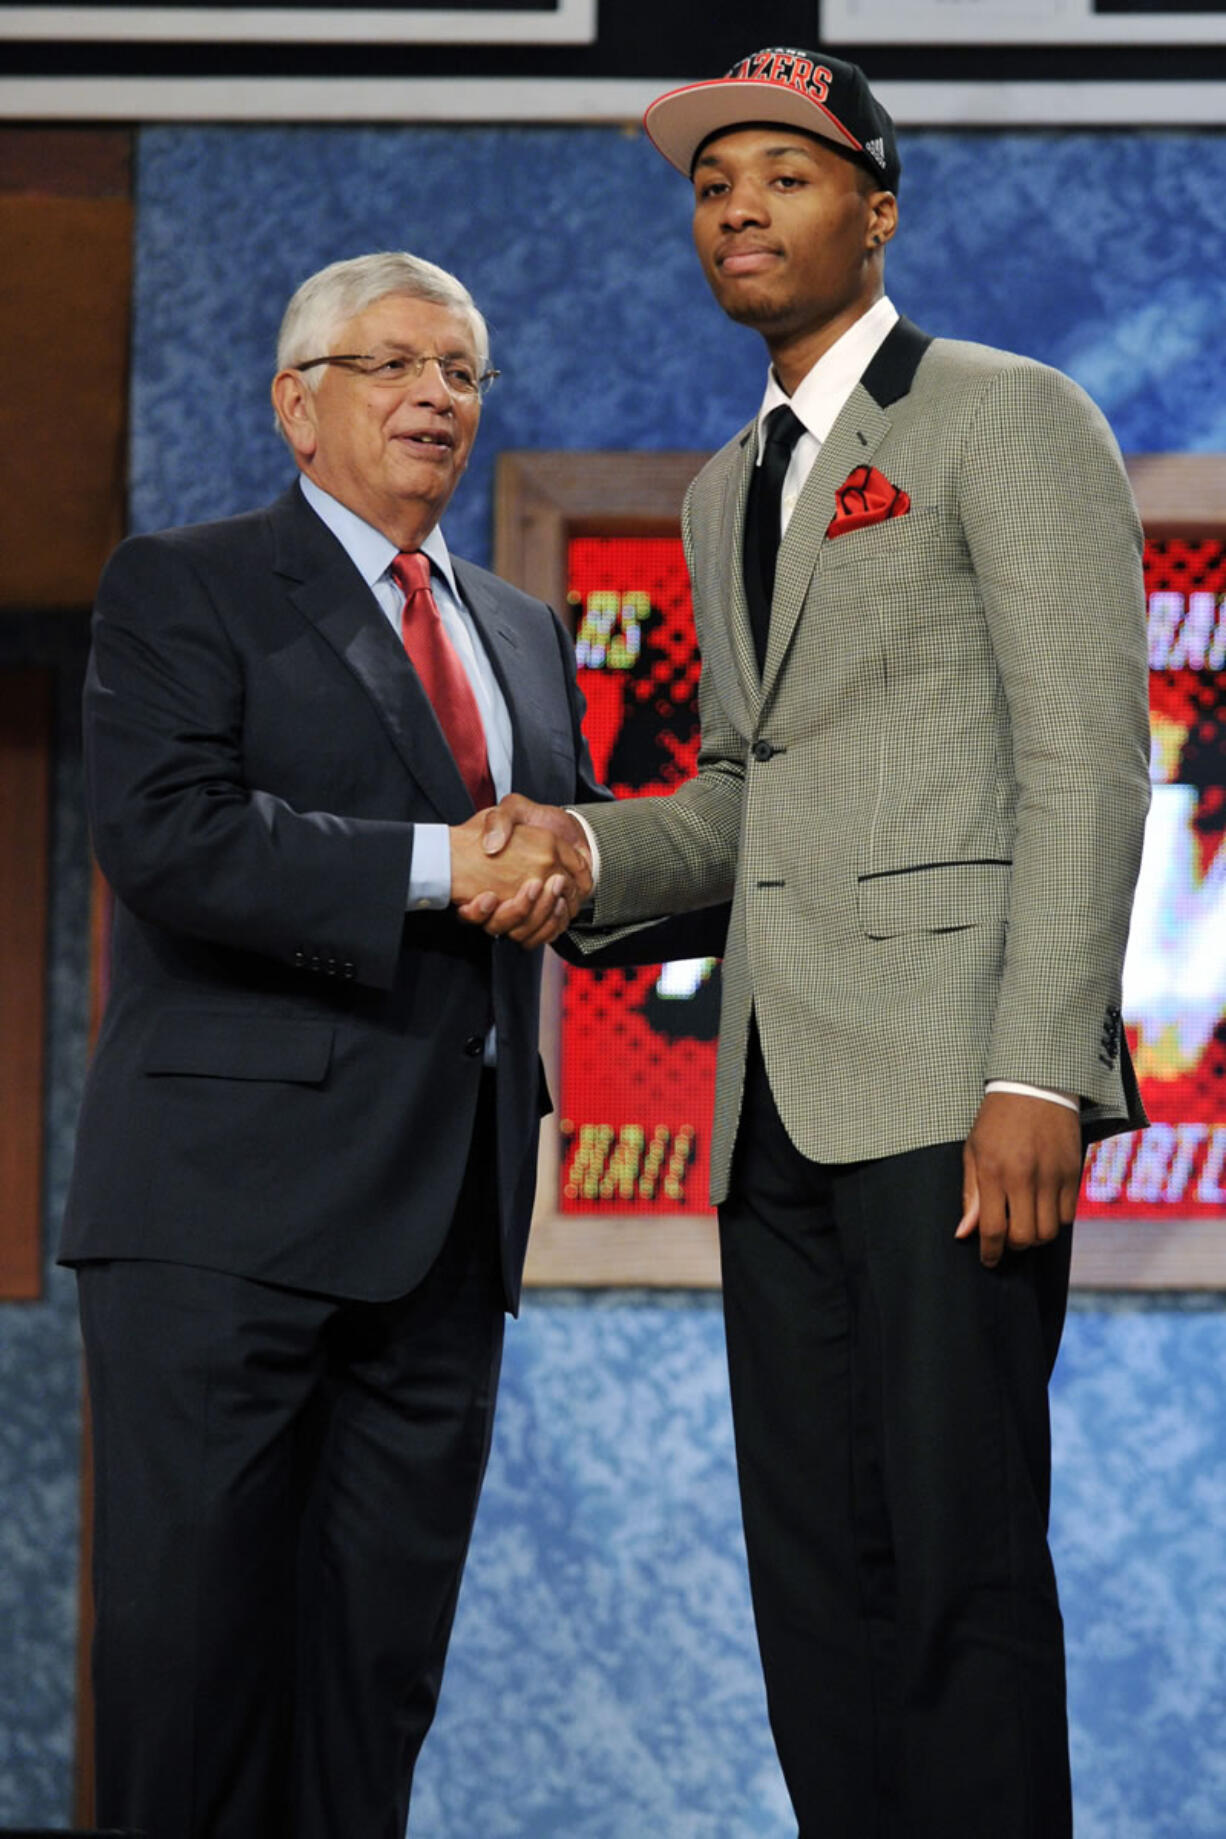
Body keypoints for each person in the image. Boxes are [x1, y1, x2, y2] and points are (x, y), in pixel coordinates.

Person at [472, 48, 1152, 1839]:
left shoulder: (1008, 415)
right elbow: (739, 798)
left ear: (876, 207)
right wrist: (582, 846)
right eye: (711, 187)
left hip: (952, 1096)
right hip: (768, 1106)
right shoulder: (724, 488)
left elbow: (1092, 752)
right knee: (816, 1598)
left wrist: (1036, 1070)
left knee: (958, 1576)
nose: (738, 210)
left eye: (782, 174)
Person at [60, 250, 600, 1839]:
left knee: (375, 1679)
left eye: (462, 373)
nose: (437, 395)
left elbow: (550, 862)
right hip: (225, 1228)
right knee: (193, 1670)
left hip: (444, 1234)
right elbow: (169, 842)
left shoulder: (521, 626)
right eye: (393, 366)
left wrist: (596, 859)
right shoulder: (187, 584)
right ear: (298, 406)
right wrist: (448, 867)